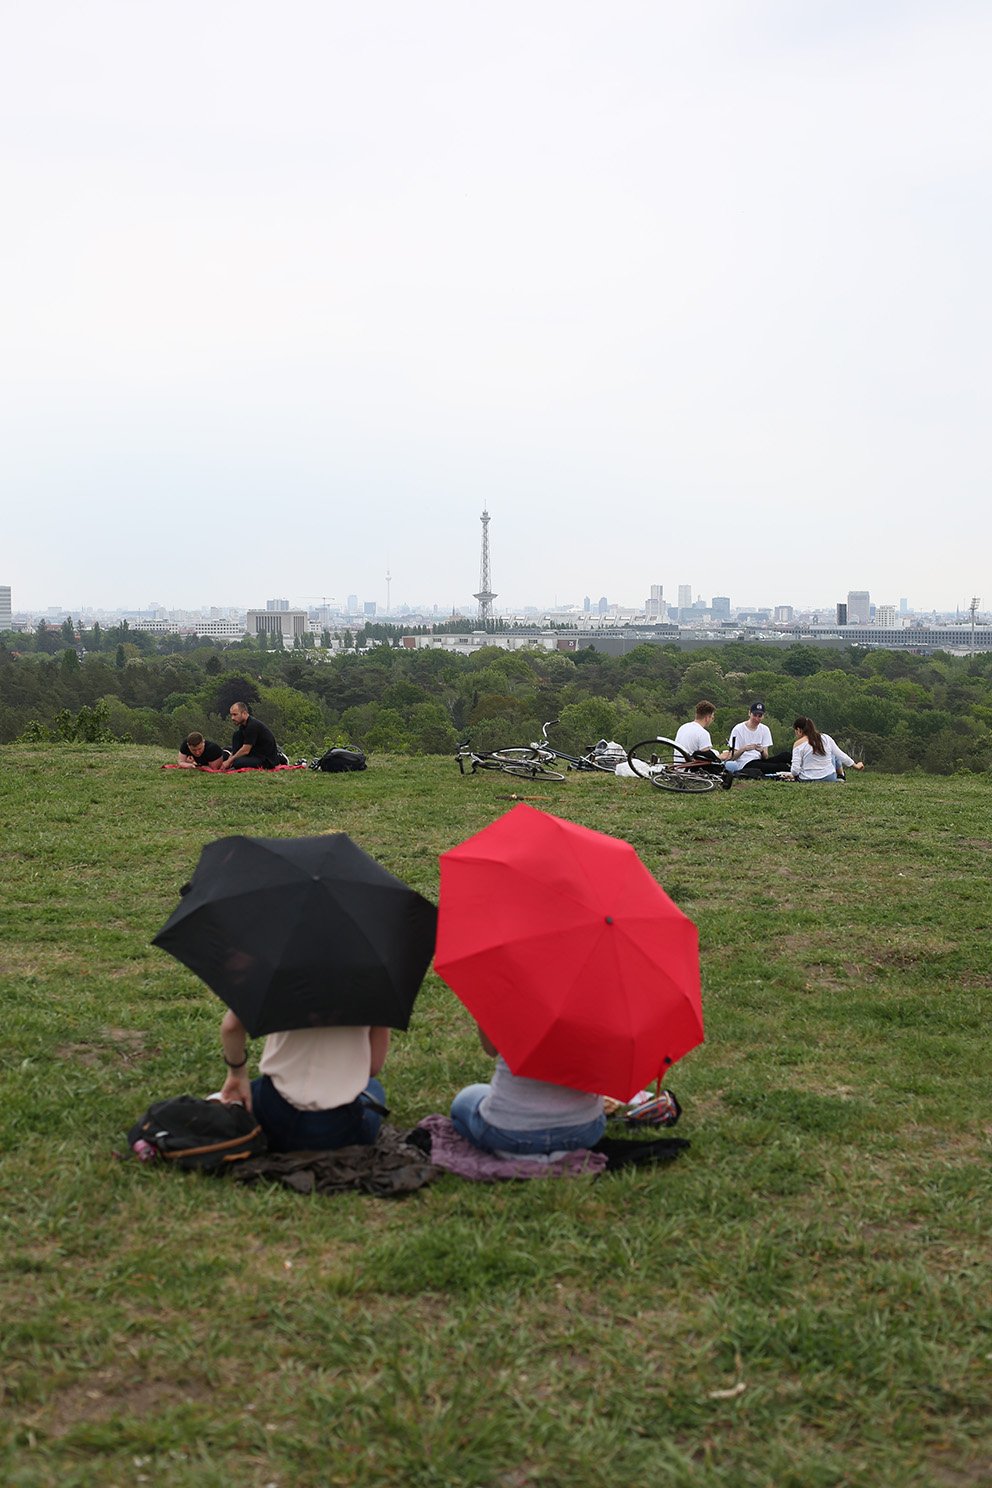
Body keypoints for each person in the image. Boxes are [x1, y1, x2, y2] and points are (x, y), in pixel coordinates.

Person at [218, 1009, 390, 1152]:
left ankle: (223, 1103)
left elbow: (231, 1026)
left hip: (270, 1115)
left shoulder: (275, 974)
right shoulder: (373, 987)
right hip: (335, 1133)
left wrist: (237, 1073)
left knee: (256, 1088)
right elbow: (373, 1068)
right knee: (373, 1089)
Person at [450, 1022, 606, 1157]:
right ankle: (560, 1154)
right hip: (583, 1131)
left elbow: (490, 1049)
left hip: (507, 1132)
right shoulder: (600, 1005)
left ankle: (513, 1155)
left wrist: (484, 1010)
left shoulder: (511, 996)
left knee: (465, 1100)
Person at [785, 716, 865, 782]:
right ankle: (841, 775)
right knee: (833, 753)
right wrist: (856, 766)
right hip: (829, 777)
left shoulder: (798, 744)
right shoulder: (826, 738)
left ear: (799, 730)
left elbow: (795, 771)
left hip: (807, 779)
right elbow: (841, 755)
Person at [719, 701, 773, 789]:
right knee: (775, 767)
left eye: (760, 716)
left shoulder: (765, 729)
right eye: (754, 715)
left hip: (759, 760)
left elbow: (766, 756)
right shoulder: (738, 729)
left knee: (784, 756)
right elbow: (732, 756)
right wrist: (744, 749)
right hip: (745, 763)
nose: (757, 719)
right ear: (749, 713)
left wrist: (762, 750)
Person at [221, 701, 280, 771]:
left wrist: (229, 761)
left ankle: (281, 758)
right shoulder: (243, 726)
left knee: (237, 762)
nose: (232, 718)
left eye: (235, 714)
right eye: (231, 715)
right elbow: (239, 745)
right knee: (236, 736)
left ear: (244, 713)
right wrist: (229, 759)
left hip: (265, 759)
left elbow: (246, 750)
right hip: (254, 754)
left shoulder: (252, 726)